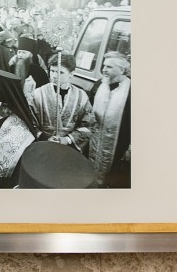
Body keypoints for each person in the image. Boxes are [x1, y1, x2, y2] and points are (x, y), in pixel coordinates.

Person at [30, 52, 97, 150]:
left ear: (71, 74)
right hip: (43, 146)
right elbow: (29, 121)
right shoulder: (38, 94)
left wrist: (68, 139)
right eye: (52, 71)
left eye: (60, 72)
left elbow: (90, 125)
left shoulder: (81, 96)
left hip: (68, 148)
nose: (54, 76)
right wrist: (44, 137)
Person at [88, 52, 131, 188]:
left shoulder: (131, 90)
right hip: (94, 141)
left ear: (122, 70)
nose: (104, 70)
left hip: (118, 145)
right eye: (104, 66)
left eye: (109, 67)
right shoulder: (98, 85)